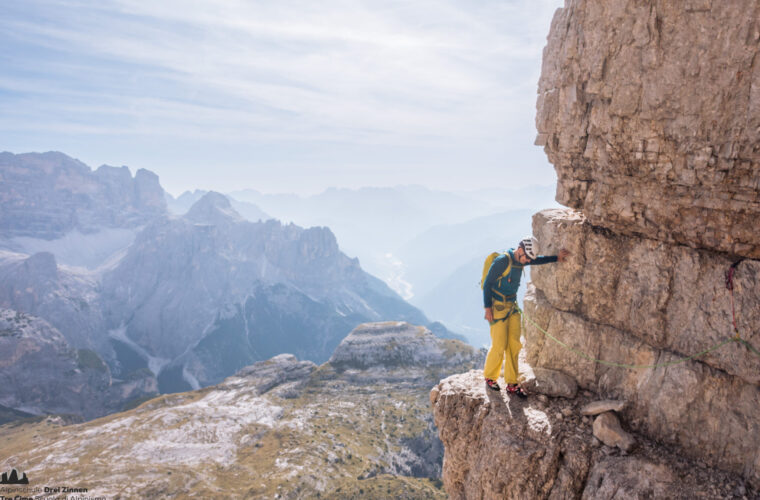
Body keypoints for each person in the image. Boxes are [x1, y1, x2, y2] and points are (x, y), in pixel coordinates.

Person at [482, 236, 570, 397]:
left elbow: (537, 260)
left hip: (512, 307)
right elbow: (487, 284)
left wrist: (556, 258)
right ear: (520, 250)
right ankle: (490, 377)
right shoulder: (502, 261)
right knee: (499, 345)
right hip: (497, 308)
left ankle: (512, 383)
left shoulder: (522, 258)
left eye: (528, 259)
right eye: (526, 258)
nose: (526, 262)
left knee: (514, 345)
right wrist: (487, 308)